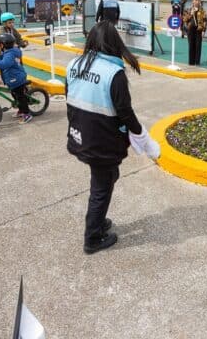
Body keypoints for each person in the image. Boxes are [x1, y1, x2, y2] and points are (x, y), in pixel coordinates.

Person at [66, 21, 159, 254]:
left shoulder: (73, 64)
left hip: (81, 134)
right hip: (102, 141)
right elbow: (125, 112)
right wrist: (142, 136)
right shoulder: (113, 73)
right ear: (114, 42)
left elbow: (70, 98)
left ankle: (97, 220)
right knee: (101, 187)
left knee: (106, 179)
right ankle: (93, 238)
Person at [0, 33, 32, 123]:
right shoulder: (7, 52)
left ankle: (27, 114)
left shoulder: (10, 54)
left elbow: (5, 63)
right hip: (13, 78)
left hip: (17, 79)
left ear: (2, 45)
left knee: (20, 97)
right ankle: (21, 110)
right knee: (15, 95)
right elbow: (1, 60)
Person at [183, 0, 207, 66]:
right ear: (193, 1)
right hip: (190, 30)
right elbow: (184, 19)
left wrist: (204, 31)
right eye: (196, 0)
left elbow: (205, 21)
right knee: (191, 46)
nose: (197, 2)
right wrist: (191, 14)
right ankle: (191, 62)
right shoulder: (188, 9)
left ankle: (197, 62)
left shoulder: (202, 10)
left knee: (198, 46)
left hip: (199, 30)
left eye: (199, 0)